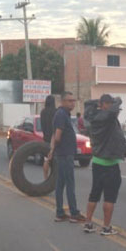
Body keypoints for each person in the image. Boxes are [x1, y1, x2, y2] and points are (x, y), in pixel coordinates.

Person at [83, 94, 125, 236]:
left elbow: (88, 103)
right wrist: (117, 100)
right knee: (109, 197)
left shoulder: (91, 116)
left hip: (97, 162)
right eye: (111, 103)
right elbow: (113, 111)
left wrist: (100, 103)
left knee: (94, 194)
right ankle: (106, 227)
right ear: (106, 104)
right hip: (110, 163)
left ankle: (88, 223)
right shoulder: (107, 118)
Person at [46, 92, 86, 223]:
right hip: (64, 154)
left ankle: (60, 213)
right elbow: (57, 136)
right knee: (69, 183)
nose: (72, 103)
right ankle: (74, 213)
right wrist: (55, 148)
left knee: (61, 183)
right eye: (69, 101)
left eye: (73, 100)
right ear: (62, 102)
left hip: (63, 153)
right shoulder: (61, 115)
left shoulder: (63, 114)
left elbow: (54, 135)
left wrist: (53, 150)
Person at [40, 95, 56, 179]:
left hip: (46, 138)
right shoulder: (56, 112)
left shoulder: (43, 112)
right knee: (56, 160)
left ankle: (45, 177)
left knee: (46, 159)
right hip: (55, 139)